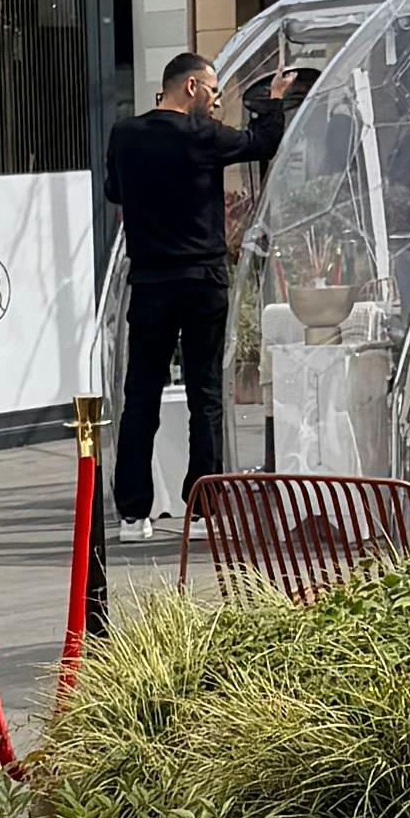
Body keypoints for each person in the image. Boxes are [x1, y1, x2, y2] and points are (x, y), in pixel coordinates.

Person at [103, 42, 287, 527]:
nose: (216, 98)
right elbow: (261, 142)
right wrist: (272, 100)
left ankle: (133, 508)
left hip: (151, 282)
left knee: (141, 392)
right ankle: (202, 502)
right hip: (203, 280)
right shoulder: (203, 135)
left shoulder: (125, 135)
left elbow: (114, 190)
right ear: (190, 87)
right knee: (205, 393)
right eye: (212, 89)